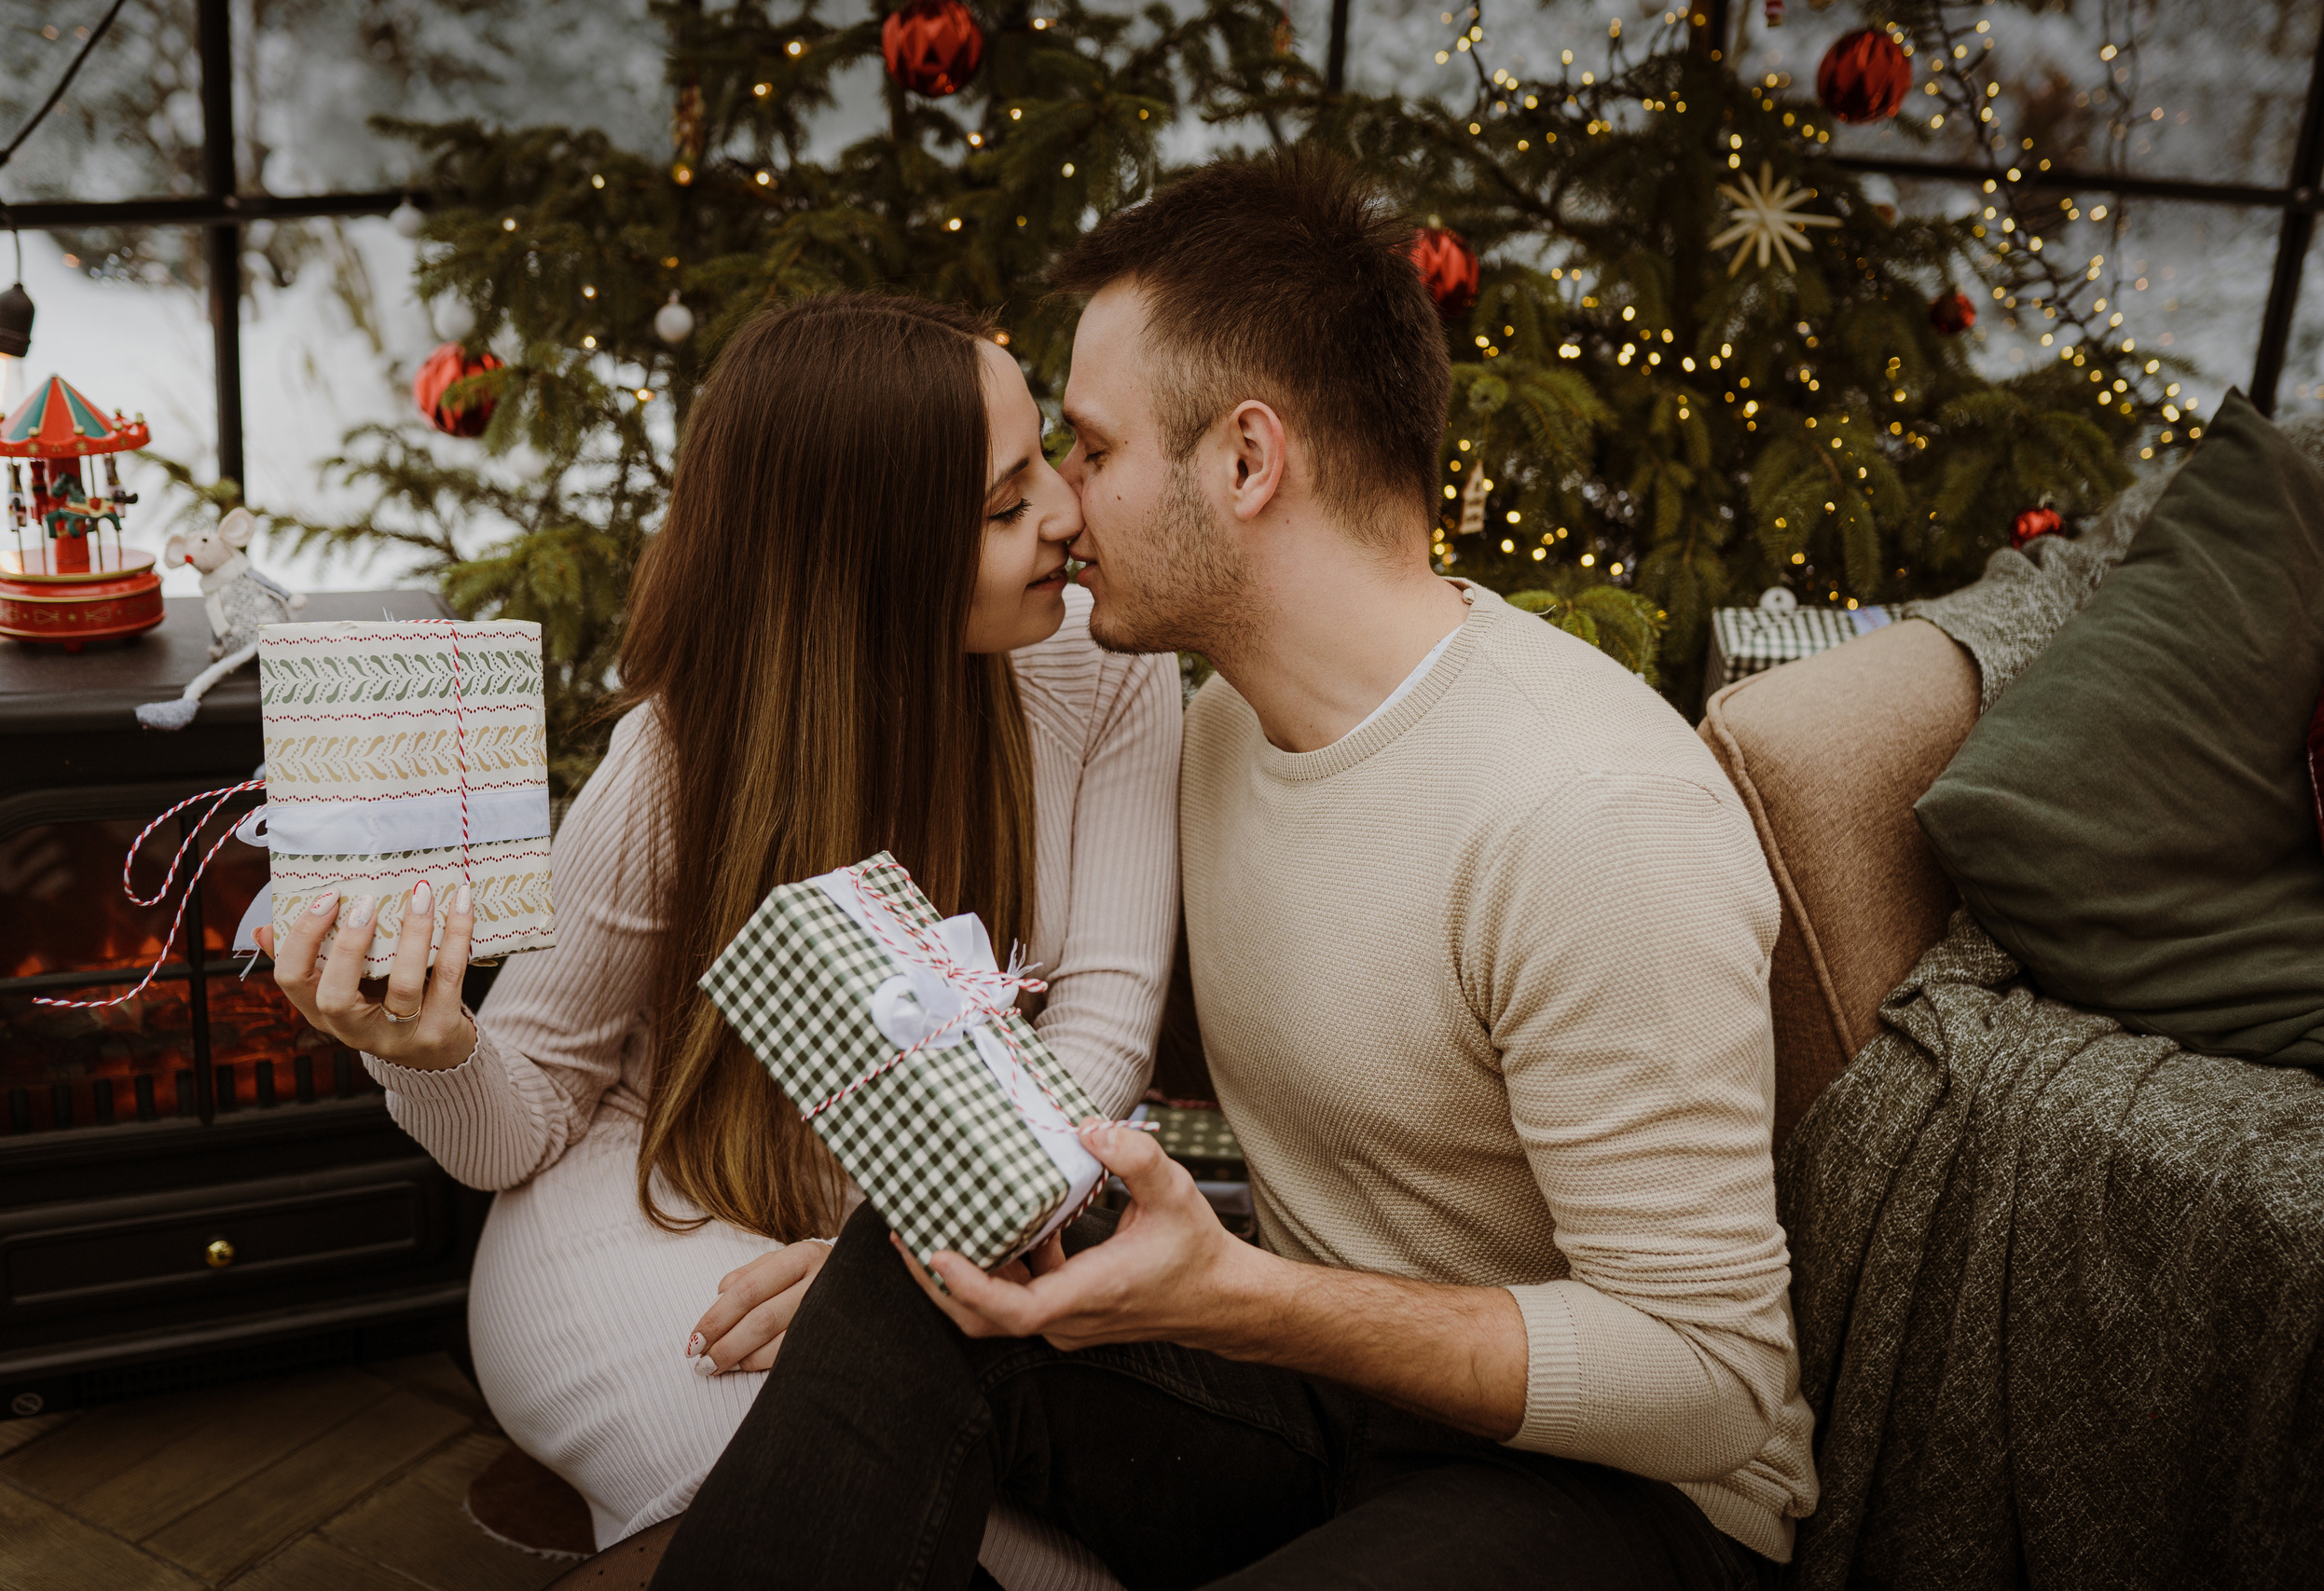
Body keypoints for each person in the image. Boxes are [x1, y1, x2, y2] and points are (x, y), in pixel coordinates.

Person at [645, 149, 1820, 1590]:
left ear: (1248, 462)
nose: (1061, 508)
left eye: (1089, 447)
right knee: (911, 1274)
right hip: (1336, 1413)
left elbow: (1715, 1379)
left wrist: (1245, 1299)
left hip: (1632, 1510)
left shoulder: (1590, 815)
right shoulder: (1214, 735)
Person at [261, 295, 1181, 1587]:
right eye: (1001, 504)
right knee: (840, 1527)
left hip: (940, 1240)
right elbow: (510, 1128)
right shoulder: (683, 754)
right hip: (654, 1220)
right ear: (867, 554)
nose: (1068, 516)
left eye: (1043, 466)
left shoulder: (1110, 672)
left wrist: (895, 1281)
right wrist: (423, 1049)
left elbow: (1102, 1031)